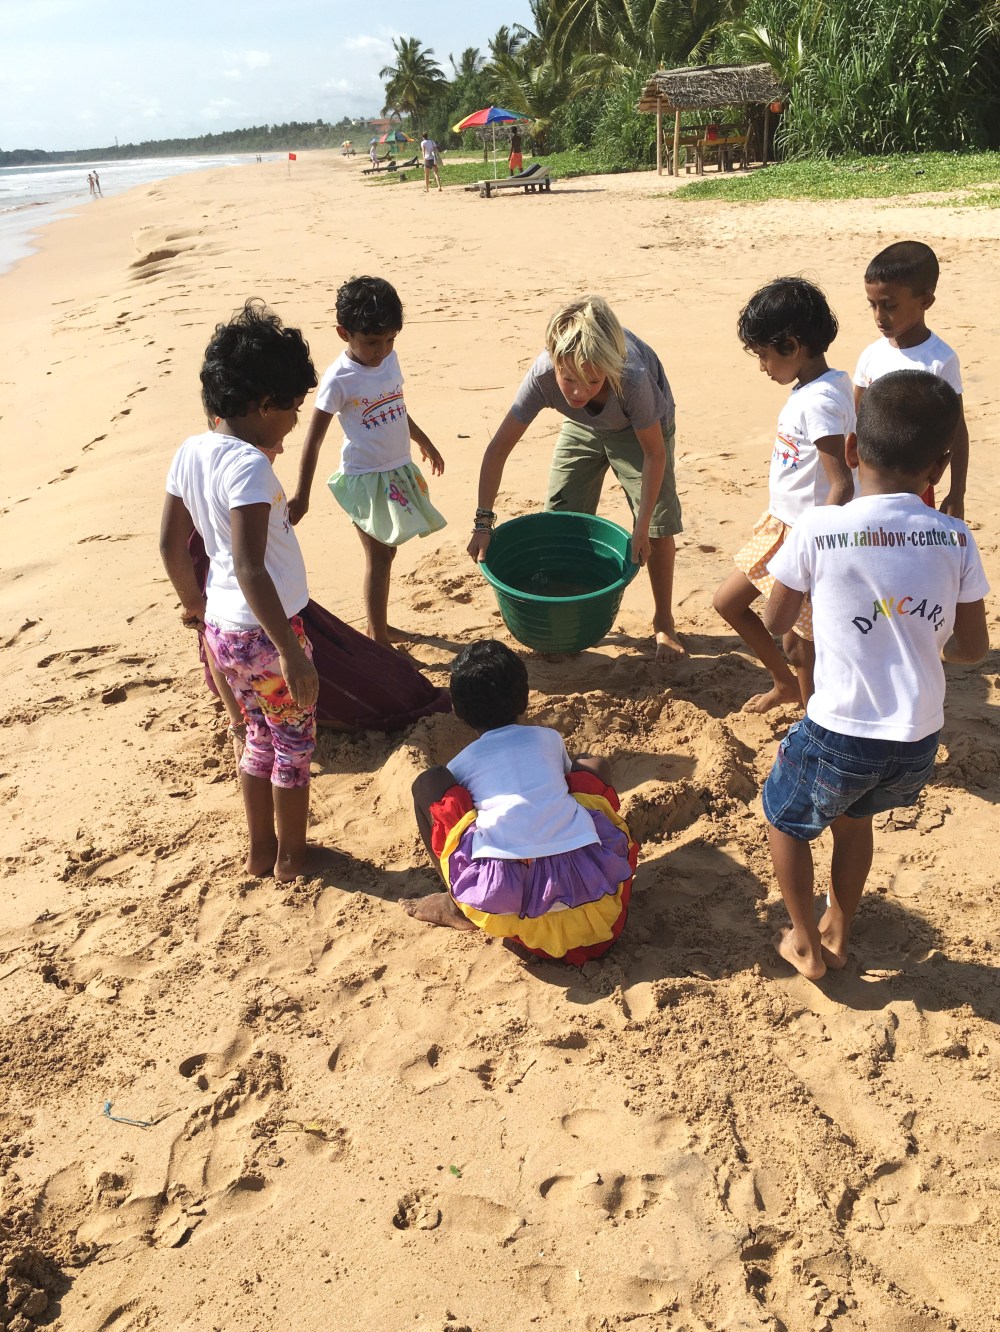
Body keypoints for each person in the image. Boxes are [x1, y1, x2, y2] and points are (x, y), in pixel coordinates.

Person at [760, 371, 989, 980]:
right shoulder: (955, 537)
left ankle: (805, 943)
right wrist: (921, 643)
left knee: (784, 818)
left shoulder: (818, 527)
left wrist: (818, 620)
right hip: (915, 740)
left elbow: (776, 618)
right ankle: (839, 927)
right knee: (853, 817)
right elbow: (973, 648)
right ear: (938, 467)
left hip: (840, 729)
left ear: (853, 449)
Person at [159, 300, 321, 882]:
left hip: (223, 633)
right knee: (293, 744)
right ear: (264, 404)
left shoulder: (191, 450)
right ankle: (292, 858)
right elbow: (251, 567)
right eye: (292, 409)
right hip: (268, 635)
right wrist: (291, 650)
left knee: (257, 735)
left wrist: (197, 608)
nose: (294, 423)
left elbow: (170, 544)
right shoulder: (249, 467)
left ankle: (259, 851)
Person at [469, 296, 685, 663]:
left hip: (640, 430)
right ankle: (563, 612)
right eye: (568, 379)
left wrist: (640, 526)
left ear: (608, 368)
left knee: (656, 528)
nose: (578, 391)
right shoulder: (542, 376)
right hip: (583, 425)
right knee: (560, 515)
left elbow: (654, 454)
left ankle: (663, 621)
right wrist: (483, 521)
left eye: (592, 380)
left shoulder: (631, 378)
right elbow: (498, 448)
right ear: (554, 360)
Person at [404, 640, 638, 964]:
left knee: (429, 783)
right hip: (599, 908)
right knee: (591, 766)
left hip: (510, 910)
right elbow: (570, 787)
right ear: (525, 698)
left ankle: (456, 903)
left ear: (456, 710)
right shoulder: (549, 739)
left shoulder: (461, 764)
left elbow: (459, 809)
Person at [713, 278, 855, 713]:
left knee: (798, 644)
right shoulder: (822, 386)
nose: (762, 366)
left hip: (805, 536)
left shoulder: (820, 401)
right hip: (780, 527)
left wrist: (811, 551)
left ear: (791, 346)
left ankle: (812, 720)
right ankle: (785, 685)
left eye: (763, 355)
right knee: (728, 603)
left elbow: (842, 484)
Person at [289, 276, 445, 648]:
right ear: (344, 333)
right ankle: (379, 640)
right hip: (364, 478)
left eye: (390, 340)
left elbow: (397, 406)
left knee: (388, 551)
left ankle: (381, 627)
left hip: (395, 469)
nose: (382, 351)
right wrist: (302, 496)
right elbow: (313, 439)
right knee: (378, 557)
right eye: (372, 342)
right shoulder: (339, 379)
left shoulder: (389, 361)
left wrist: (423, 440)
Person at [853, 240, 968, 519]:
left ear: (925, 301)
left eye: (889, 305)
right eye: (873, 305)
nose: (879, 316)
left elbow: (957, 430)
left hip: (917, 486)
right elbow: (855, 419)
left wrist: (957, 493)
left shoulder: (940, 360)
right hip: (868, 485)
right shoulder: (871, 355)